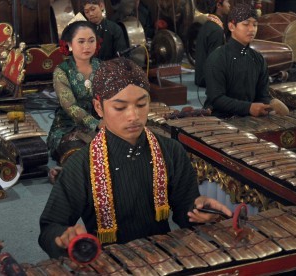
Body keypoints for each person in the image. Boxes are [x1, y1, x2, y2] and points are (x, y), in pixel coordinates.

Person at [39, 57, 232, 258]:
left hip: (163, 258)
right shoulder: (81, 164)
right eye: (120, 107)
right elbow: (50, 226)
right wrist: (62, 236)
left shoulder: (171, 150)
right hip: (108, 263)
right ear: (98, 107)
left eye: (141, 104)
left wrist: (198, 209)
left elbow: (185, 210)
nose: (133, 116)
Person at [47, 20, 103, 172]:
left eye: (91, 41)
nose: (87, 46)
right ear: (70, 44)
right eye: (81, 41)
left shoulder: (103, 67)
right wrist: (96, 124)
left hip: (102, 122)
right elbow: (69, 106)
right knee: (78, 158)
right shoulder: (62, 71)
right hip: (68, 126)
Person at [204, 3, 271, 118]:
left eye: (255, 25)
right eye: (246, 24)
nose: (252, 29)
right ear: (231, 27)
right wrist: (248, 108)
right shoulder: (217, 58)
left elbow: (263, 95)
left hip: (249, 120)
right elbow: (216, 99)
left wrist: (266, 106)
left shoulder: (258, 59)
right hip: (220, 120)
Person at [194, 0, 231, 87]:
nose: (229, 5)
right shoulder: (216, 30)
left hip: (201, 77)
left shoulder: (208, 25)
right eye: (227, 2)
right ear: (218, 5)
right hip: (207, 80)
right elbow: (215, 62)